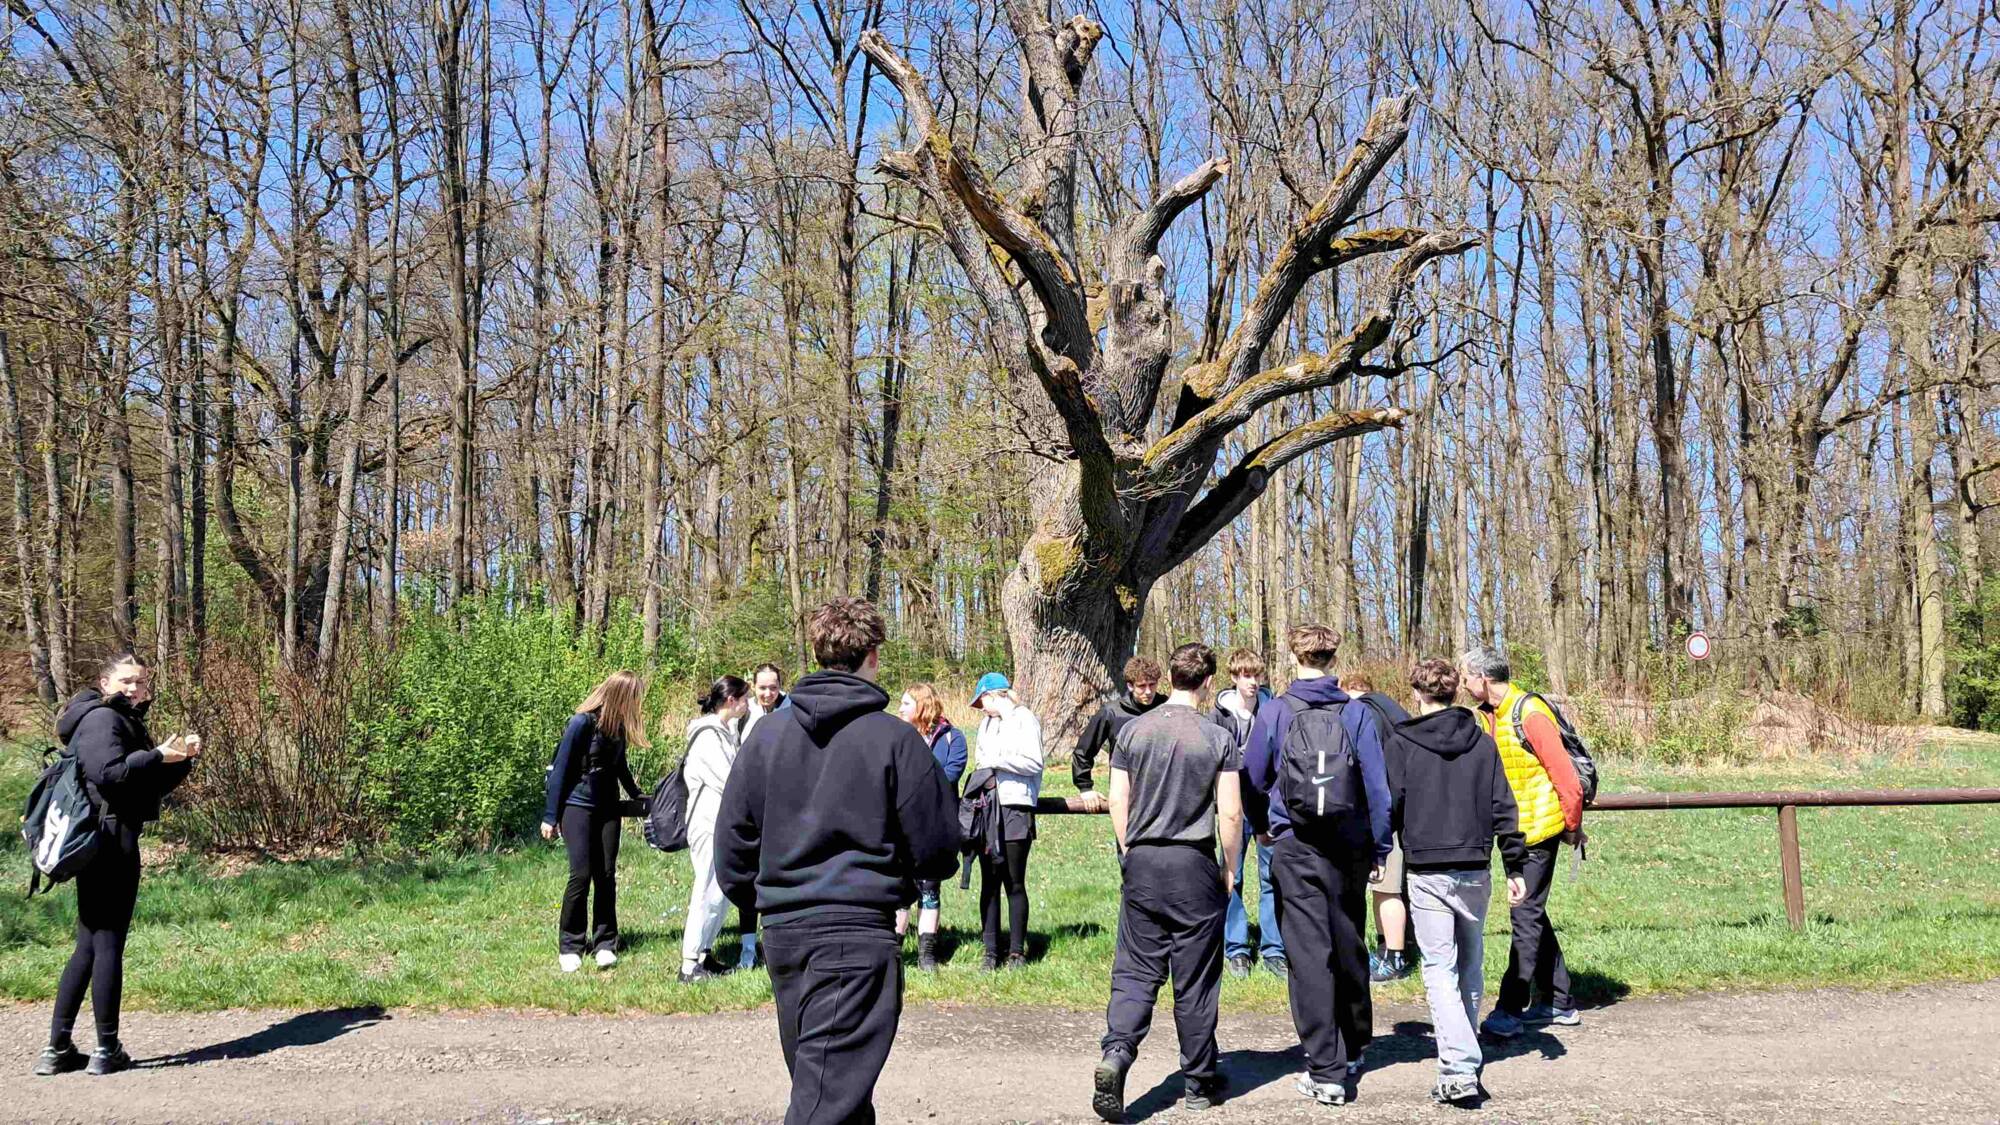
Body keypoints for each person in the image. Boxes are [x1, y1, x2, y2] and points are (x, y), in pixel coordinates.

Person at [715, 597, 960, 1125]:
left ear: (817, 654)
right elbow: (939, 849)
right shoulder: (897, 741)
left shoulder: (766, 738)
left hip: (787, 935)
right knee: (825, 1103)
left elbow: (732, 845)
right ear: (873, 655)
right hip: (855, 934)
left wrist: (770, 900)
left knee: (835, 1093)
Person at [1242, 624, 1392, 1107]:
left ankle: (1325, 1069)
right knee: (1349, 942)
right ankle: (1355, 1048)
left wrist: (1262, 825)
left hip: (1295, 844)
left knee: (1308, 955)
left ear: (1294, 657)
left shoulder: (1276, 711)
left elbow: (1251, 776)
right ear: (1333, 659)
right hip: (1349, 847)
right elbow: (1377, 788)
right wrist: (1380, 847)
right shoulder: (1356, 712)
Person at [1094, 643, 1244, 1122]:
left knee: (1136, 970)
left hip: (1142, 861)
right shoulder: (1217, 736)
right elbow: (1231, 813)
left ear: (1171, 679)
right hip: (1192, 863)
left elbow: (1118, 799)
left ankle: (1117, 1051)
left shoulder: (1133, 731)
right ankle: (1198, 1082)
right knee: (1195, 977)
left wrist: (1128, 849)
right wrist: (1231, 866)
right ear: (1207, 683)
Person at [36, 654, 199, 1077]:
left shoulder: (120, 720)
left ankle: (58, 1049)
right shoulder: (101, 719)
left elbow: (142, 783)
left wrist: (181, 759)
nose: (135, 688)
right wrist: (156, 754)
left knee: (90, 945)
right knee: (107, 943)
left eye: (141, 682)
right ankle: (106, 1049)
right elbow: (109, 774)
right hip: (106, 842)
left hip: (109, 837)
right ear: (105, 682)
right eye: (126, 680)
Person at [1389, 659, 1528, 1106]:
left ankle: (1459, 1067)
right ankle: (1464, 1058)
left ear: (1417, 693)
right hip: (1474, 866)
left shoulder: (1402, 743)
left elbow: (1391, 803)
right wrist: (1516, 866)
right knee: (1469, 963)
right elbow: (1504, 805)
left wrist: (1378, 849)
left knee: (1439, 968)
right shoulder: (1482, 742)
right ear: (1454, 693)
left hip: (1427, 868)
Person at [1460, 646, 1586, 1038]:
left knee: (1525, 914)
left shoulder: (1529, 713)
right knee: (1532, 913)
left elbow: (1565, 777)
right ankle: (1560, 1000)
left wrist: (1572, 826)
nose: (1463, 683)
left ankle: (1510, 1008)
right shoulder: (1490, 715)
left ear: (1484, 679)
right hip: (1514, 832)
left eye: (1466, 676)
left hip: (1538, 831)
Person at [543, 670, 648, 973]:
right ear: (620, 696)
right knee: (581, 874)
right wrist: (550, 816)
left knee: (606, 875)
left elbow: (619, 766)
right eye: (633, 697)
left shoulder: (617, 727)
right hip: (577, 807)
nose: (637, 703)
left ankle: (605, 943)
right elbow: (561, 769)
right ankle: (571, 945)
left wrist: (638, 795)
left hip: (608, 809)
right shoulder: (581, 723)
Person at [1208, 648, 1285, 981]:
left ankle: (1274, 949)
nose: (1253, 682)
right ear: (1234, 678)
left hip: (1268, 805)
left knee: (1273, 878)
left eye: (1257, 675)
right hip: (1233, 806)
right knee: (1232, 876)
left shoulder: (1274, 709)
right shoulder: (1218, 716)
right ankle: (1237, 948)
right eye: (1246, 675)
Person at [1341, 675, 1414, 984]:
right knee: (1389, 888)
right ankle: (1392, 948)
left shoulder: (1365, 715)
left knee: (1387, 889)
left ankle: (1395, 957)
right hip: (1404, 812)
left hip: (1385, 815)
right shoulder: (1394, 713)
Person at [680, 674, 753, 983]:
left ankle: (704, 954)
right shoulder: (707, 736)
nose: (748, 703)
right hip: (706, 824)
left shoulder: (724, 731)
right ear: (731, 700)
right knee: (705, 890)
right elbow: (728, 781)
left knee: (720, 893)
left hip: (721, 824)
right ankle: (689, 965)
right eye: (745, 698)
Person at [970, 671, 1042, 970]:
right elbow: (980, 761)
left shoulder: (1025, 719)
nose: (981, 708)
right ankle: (990, 951)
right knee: (989, 881)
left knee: (1014, 881)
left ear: (993, 695)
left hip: (1016, 807)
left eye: (982, 701)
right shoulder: (986, 725)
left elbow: (1034, 762)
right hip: (988, 807)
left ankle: (1016, 951)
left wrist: (998, 760)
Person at [895, 683, 968, 972]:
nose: (900, 708)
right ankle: (895, 951)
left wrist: (914, 784)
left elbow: (951, 774)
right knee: (900, 890)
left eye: (906, 703)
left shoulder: (952, 738)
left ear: (922, 706)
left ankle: (927, 955)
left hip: (935, 824)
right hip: (901, 825)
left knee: (929, 888)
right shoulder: (897, 738)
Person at [1071, 657, 1162, 813]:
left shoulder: (1167, 708)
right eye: (1142, 686)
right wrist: (1085, 788)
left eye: (1152, 685)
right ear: (1130, 685)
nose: (1148, 691)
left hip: (1164, 795)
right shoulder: (1112, 712)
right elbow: (1083, 752)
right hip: (1127, 796)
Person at [741, 662, 791, 741]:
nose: (768, 694)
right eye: (762, 688)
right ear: (753, 686)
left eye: (773, 688)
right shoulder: (744, 710)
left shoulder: (791, 708)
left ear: (779, 686)